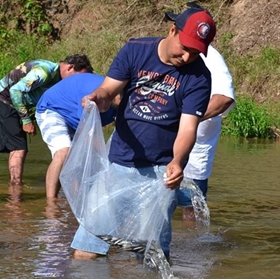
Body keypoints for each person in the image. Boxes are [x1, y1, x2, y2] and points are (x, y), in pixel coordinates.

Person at [72, 6, 217, 260]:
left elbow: (188, 128)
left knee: (153, 256)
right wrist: (98, 98)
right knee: (87, 249)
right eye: (184, 48)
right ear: (173, 30)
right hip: (118, 164)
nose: (186, 58)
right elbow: (108, 91)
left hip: (161, 173)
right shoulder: (136, 50)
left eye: (195, 53)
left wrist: (177, 161)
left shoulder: (199, 77)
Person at [166, 3, 236, 222]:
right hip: (170, 137)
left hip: (195, 146)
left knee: (191, 206)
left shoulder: (209, 57)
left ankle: (191, 252)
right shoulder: (174, 54)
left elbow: (224, 98)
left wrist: (191, 116)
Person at [0, 54, 93, 186]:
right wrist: (26, 120)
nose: (78, 81)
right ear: (70, 67)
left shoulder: (59, 79)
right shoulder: (44, 71)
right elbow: (15, 91)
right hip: (3, 100)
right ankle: (15, 188)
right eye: (79, 77)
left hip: (20, 104)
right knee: (19, 147)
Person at [35, 73, 116, 199]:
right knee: (64, 152)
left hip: (76, 119)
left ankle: (75, 202)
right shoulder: (93, 94)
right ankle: (51, 203)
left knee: (81, 160)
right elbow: (86, 130)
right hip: (53, 109)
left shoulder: (127, 103)